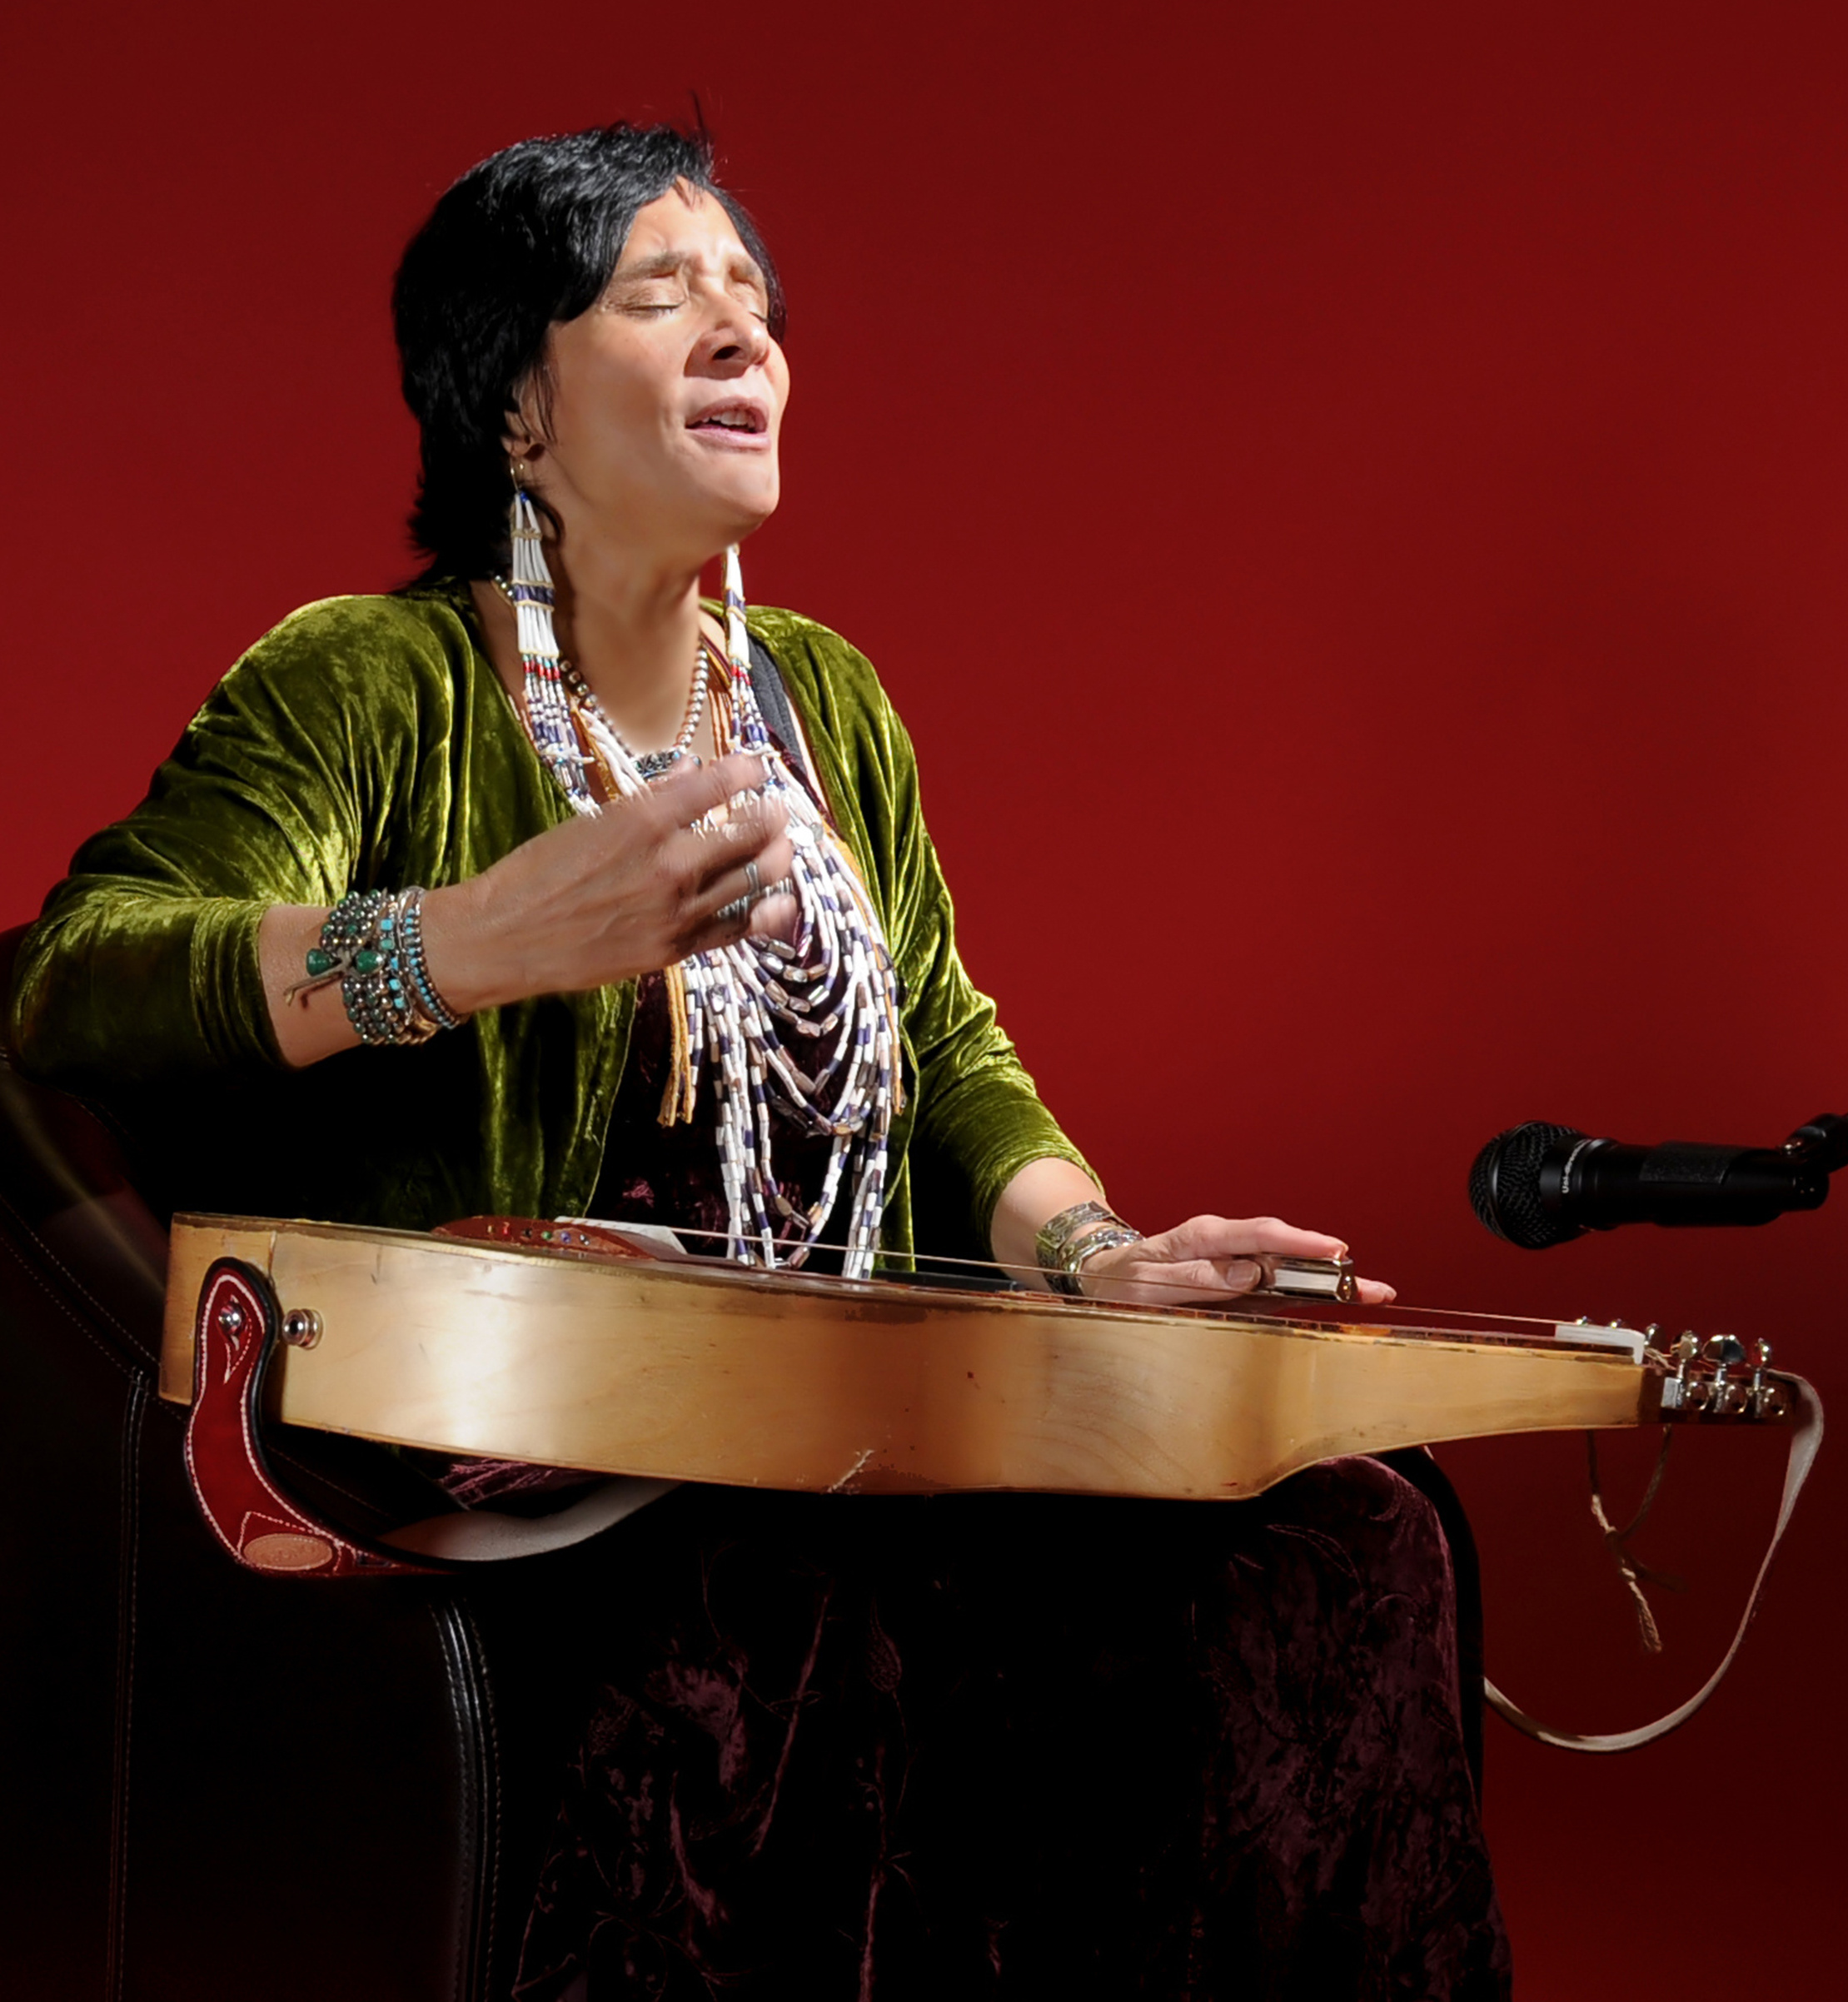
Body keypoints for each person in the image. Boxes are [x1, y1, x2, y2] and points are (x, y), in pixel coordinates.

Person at [6, 124, 1507, 1999]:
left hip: (825, 1427)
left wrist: (1094, 1256)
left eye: (759, 304)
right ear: (518, 412)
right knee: (778, 1607)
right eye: (664, 294)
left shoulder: (826, 695)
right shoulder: (364, 682)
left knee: (1340, 1535)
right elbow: (74, 981)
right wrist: (472, 941)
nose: (748, 336)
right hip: (525, 1467)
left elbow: (948, 1044)